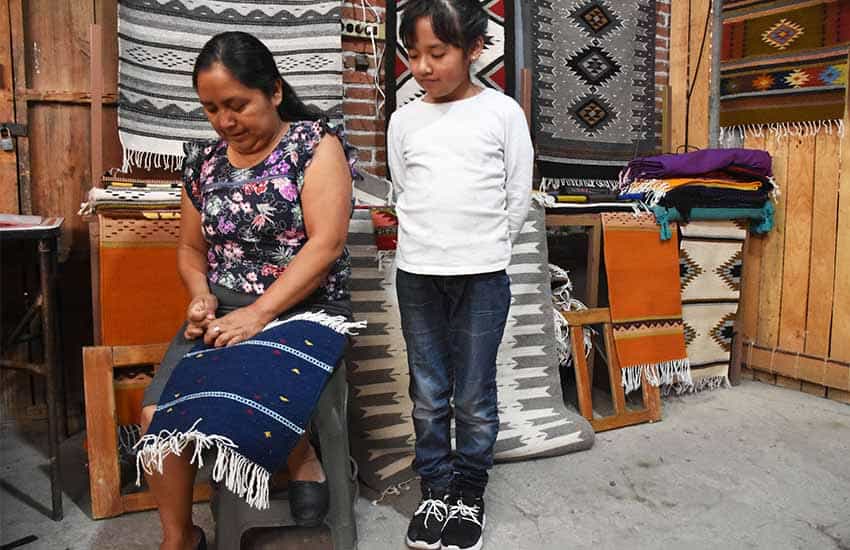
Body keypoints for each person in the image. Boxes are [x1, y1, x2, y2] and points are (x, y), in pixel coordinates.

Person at [138, 31, 356, 550]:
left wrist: (257, 313)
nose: (225, 121)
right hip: (224, 310)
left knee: (249, 385)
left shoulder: (313, 146)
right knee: (154, 417)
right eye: (211, 109)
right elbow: (192, 251)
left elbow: (325, 246)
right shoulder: (202, 164)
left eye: (237, 105)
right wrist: (200, 296)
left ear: (274, 92)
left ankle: (302, 454)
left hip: (305, 309)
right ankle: (180, 539)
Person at [387, 1, 534, 549]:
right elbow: (404, 191)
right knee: (428, 391)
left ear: (474, 49)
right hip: (417, 274)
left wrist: (484, 248)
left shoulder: (502, 114)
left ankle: (469, 493)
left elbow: (517, 196)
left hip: (482, 276)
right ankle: (435, 489)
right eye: (414, 54)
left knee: (473, 393)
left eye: (438, 53)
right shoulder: (403, 119)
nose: (423, 67)